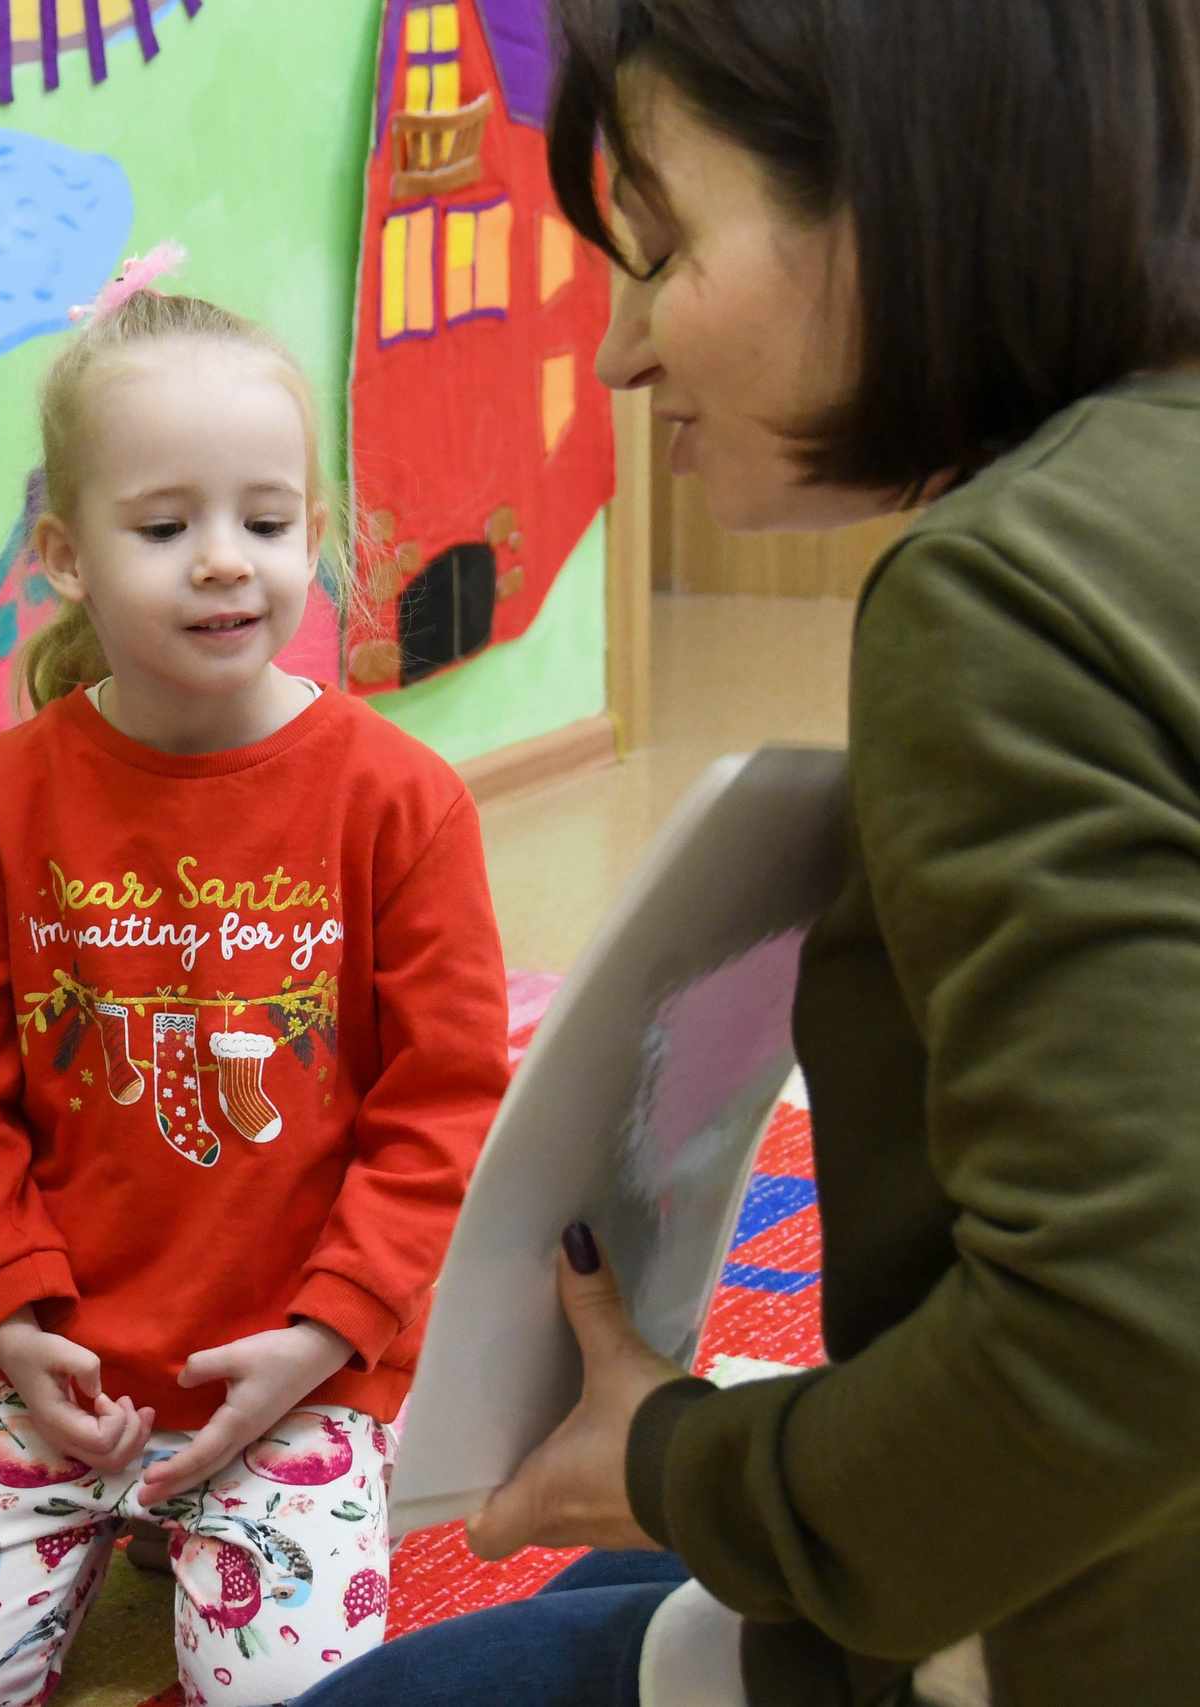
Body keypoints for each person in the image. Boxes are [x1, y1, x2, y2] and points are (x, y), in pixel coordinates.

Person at [301, 2, 1200, 1704]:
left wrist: (678, 1461)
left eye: (659, 250)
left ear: (898, 199)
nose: (624, 354)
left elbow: (1128, 1340)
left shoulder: (1002, 600)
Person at [0, 257, 512, 1707]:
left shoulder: (401, 801)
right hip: (68, 1364)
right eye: (166, 524)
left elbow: (446, 1100)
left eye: (267, 520)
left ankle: (300, 1483)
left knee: (281, 1697)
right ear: (65, 553)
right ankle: (149, 1511)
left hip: (305, 1356)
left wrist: (326, 1332)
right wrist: (9, 1315)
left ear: (315, 534)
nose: (225, 559)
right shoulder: (3, 797)